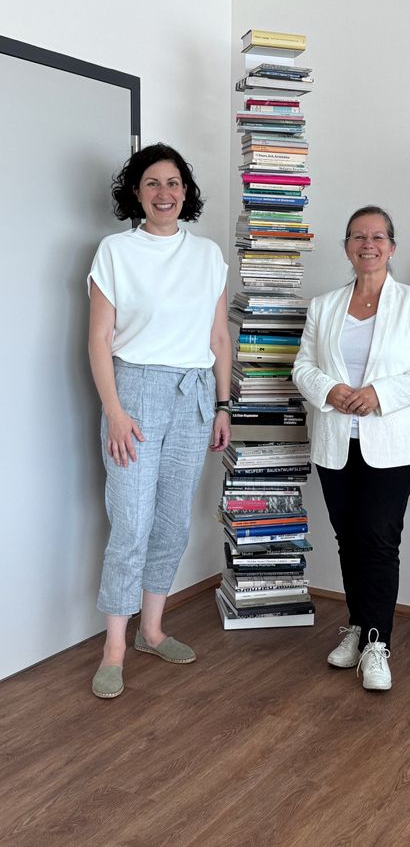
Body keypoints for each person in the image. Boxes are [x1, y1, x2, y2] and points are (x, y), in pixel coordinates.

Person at [87, 143, 231, 698]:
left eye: (173, 183)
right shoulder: (115, 252)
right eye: (152, 183)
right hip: (136, 393)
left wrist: (221, 405)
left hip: (194, 395)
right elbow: (99, 339)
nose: (164, 193)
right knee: (131, 523)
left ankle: (152, 629)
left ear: (186, 192)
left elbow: (219, 338)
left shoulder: (209, 255)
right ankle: (114, 648)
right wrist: (115, 411)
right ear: (136, 192)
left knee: (172, 521)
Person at [293, 206, 410, 691]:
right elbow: (302, 367)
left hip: (392, 447)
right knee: (348, 539)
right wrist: (330, 391)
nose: (368, 244)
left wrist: (378, 395)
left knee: (379, 540)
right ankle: (358, 628)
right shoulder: (324, 306)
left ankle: (377, 644)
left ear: (391, 247)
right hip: (337, 443)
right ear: (346, 247)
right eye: (358, 236)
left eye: (377, 236)